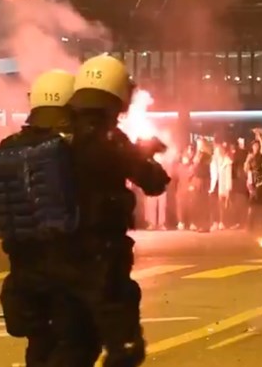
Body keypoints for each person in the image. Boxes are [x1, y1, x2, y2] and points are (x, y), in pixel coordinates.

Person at [0, 69, 98, 365]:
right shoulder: (67, 152)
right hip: (66, 274)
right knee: (74, 348)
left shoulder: (7, 149)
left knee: (38, 348)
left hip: (23, 272)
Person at [66, 55, 170, 366]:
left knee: (69, 348)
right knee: (124, 348)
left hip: (57, 255)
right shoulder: (110, 139)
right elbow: (153, 182)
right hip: (101, 255)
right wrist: (147, 153)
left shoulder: (61, 137)